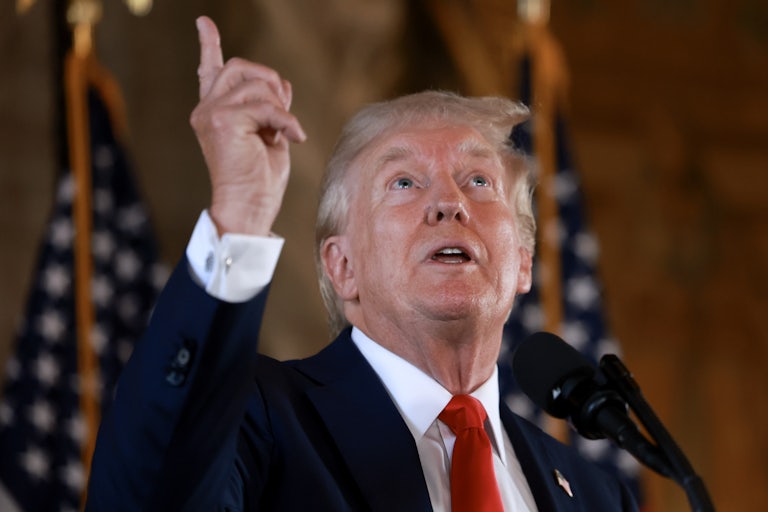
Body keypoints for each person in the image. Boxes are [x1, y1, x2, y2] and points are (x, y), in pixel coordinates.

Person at [85, 16, 637, 512]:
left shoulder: (595, 494)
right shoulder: (261, 421)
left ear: (522, 263)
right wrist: (238, 212)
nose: (450, 203)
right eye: (403, 182)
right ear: (341, 266)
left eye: (478, 181)